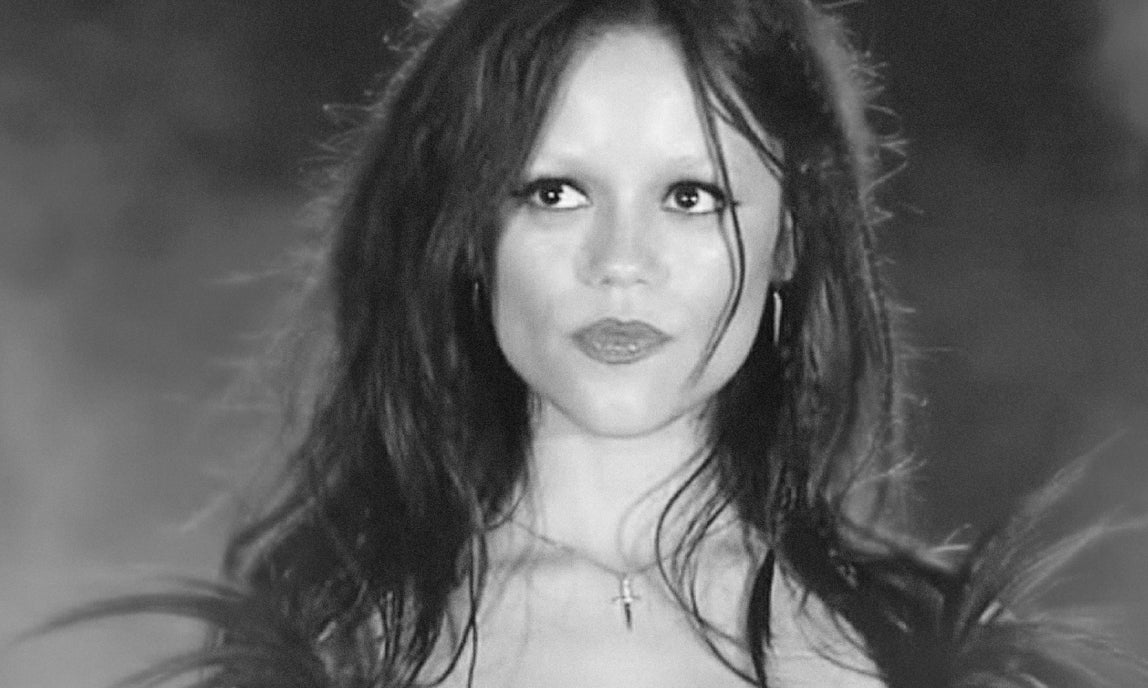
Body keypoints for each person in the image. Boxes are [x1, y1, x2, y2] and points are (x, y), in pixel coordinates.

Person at [44, 0, 1145, 686]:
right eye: (555, 191)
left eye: (691, 196)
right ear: (469, 234)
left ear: (789, 242)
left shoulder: (932, 659)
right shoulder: (326, 657)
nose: (622, 261)